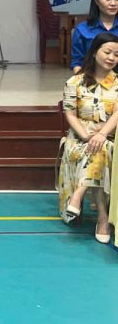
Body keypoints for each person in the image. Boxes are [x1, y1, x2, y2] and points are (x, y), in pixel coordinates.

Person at [59, 32, 118, 244]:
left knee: (101, 148)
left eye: (117, 54)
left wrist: (101, 134)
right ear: (94, 52)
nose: (112, 57)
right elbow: (70, 114)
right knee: (97, 150)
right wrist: (86, 135)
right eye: (107, 52)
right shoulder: (75, 82)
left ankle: (78, 196)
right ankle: (102, 218)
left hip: (109, 139)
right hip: (79, 139)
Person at [70, 0, 118, 73]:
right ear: (96, 0)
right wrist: (81, 79)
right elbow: (77, 61)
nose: (113, 3)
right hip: (91, 78)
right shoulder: (82, 29)